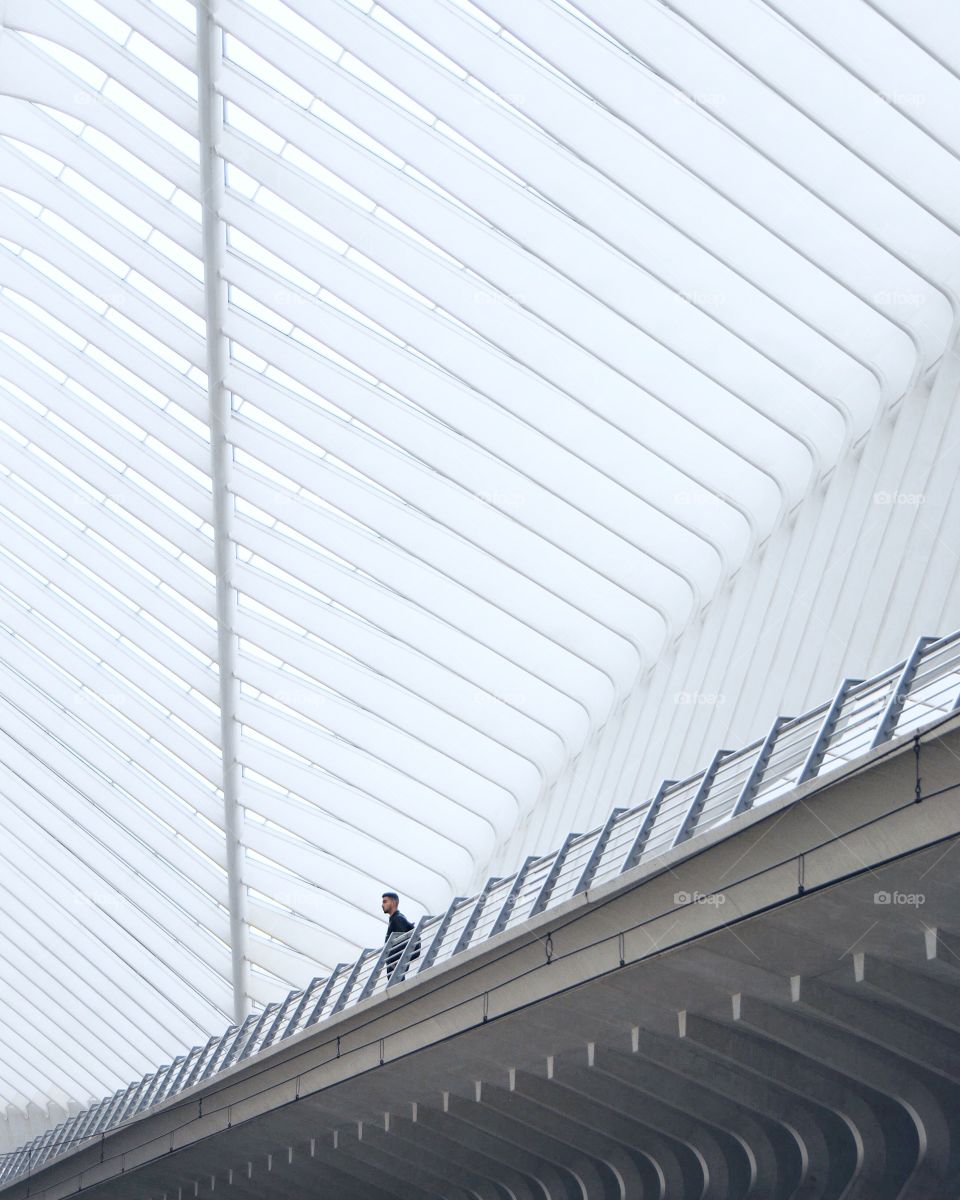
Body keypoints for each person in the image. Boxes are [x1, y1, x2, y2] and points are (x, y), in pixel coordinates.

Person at [381, 891, 418, 979]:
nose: (382, 905)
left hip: (396, 966)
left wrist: (393, 960)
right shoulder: (396, 919)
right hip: (395, 965)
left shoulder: (397, 919)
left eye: (385, 901)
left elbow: (401, 942)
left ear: (393, 903)